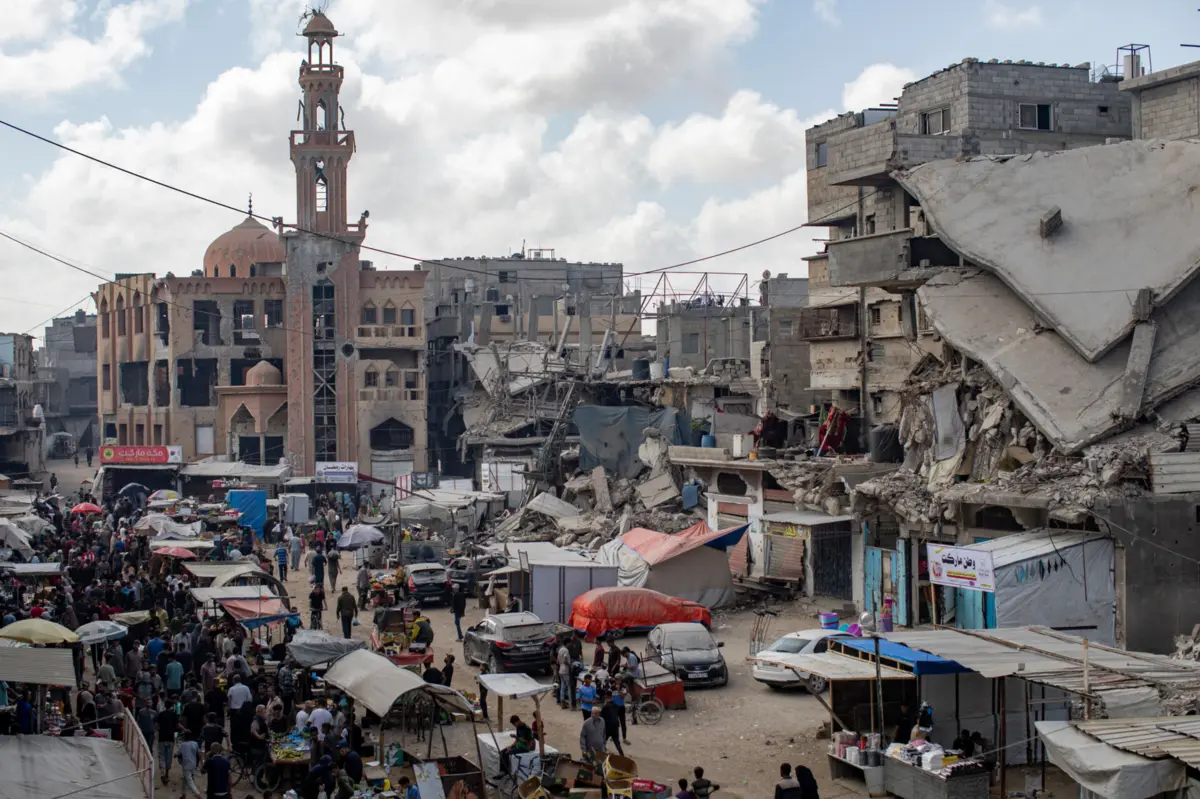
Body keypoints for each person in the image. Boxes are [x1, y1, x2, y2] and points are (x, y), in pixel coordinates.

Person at [157, 697, 182, 785]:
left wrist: (159, 730)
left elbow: (156, 725)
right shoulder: (174, 714)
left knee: (162, 756)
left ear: (164, 705)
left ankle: (163, 773)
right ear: (171, 706)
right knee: (168, 757)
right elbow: (178, 725)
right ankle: (167, 774)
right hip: (170, 738)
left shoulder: (161, 714)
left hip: (162, 738)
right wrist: (185, 729)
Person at [178, 730, 202, 799]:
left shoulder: (182, 745)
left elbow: (177, 753)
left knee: (189, 781)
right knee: (185, 779)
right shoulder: (195, 743)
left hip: (186, 765)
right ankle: (183, 794)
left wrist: (175, 755)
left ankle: (199, 796)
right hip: (193, 764)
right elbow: (199, 754)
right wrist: (201, 763)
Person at [599, 691, 624, 756]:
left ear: (606, 696)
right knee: (617, 743)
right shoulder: (616, 706)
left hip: (607, 727)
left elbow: (601, 718)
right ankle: (622, 755)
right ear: (612, 696)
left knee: (603, 741)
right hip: (615, 726)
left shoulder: (605, 707)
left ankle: (601, 754)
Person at [556, 642, 571, 708]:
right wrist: (569, 665)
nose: (570, 644)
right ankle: (571, 703)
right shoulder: (566, 650)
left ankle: (562, 703)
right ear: (567, 643)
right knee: (569, 687)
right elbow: (565, 659)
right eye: (569, 643)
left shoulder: (560, 650)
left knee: (562, 687)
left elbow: (558, 661)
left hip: (560, 670)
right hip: (565, 670)